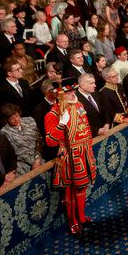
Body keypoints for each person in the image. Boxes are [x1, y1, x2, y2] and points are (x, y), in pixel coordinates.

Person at [44, 77, 97, 235]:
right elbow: (50, 142)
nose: (73, 93)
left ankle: (81, 217)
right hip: (68, 155)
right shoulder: (52, 114)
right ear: (59, 94)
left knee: (82, 187)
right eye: (69, 92)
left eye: (74, 90)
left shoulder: (78, 105)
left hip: (84, 152)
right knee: (69, 192)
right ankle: (73, 221)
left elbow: (85, 127)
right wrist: (61, 124)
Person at [0, 103, 43, 176]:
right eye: (11, 118)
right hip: (22, 164)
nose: (16, 119)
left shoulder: (30, 120)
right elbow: (14, 153)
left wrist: (37, 159)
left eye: (16, 115)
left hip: (39, 157)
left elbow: (39, 140)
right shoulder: (4, 132)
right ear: (6, 120)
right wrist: (32, 163)